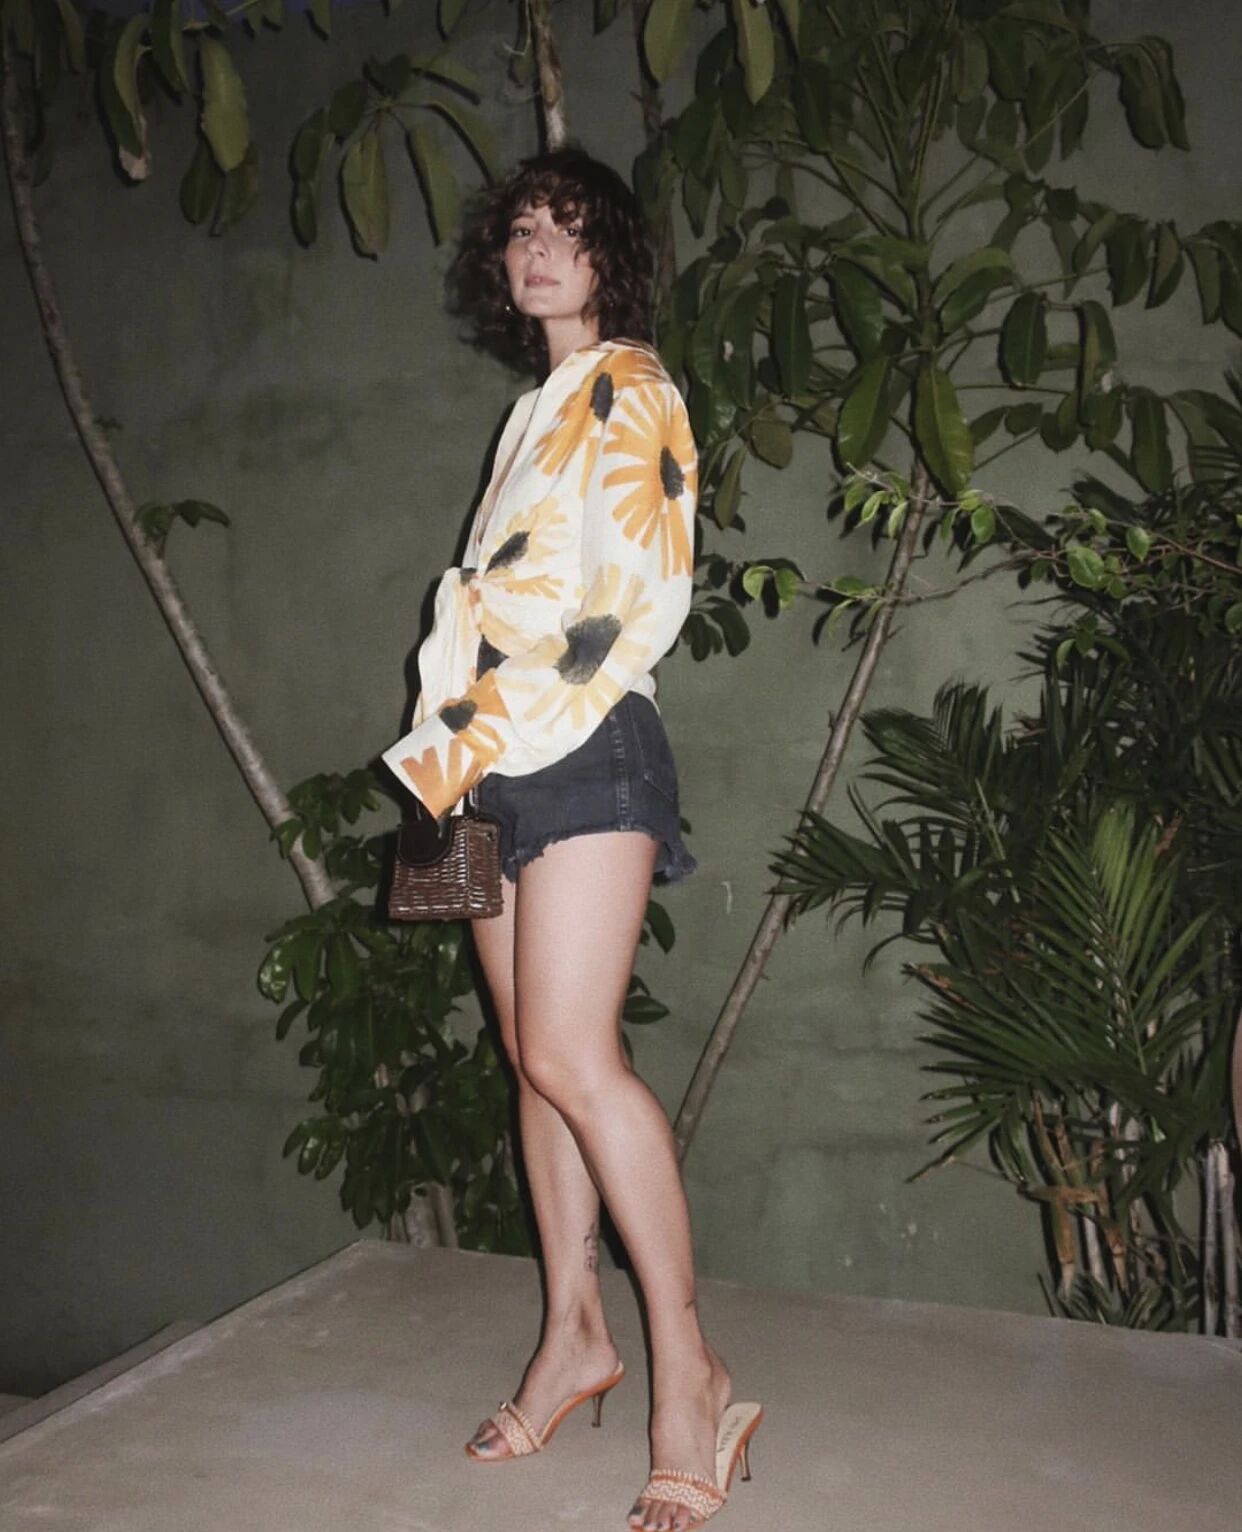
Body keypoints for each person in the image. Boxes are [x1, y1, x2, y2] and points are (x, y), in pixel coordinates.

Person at [380, 147, 761, 1531]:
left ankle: (690, 1376)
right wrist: (450, 756)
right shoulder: (530, 408)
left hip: (585, 741)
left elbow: (643, 590)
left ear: (611, 258)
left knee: (570, 1054)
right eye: (521, 231)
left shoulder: (632, 384)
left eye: (567, 230)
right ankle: (573, 1338)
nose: (538, 249)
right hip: (486, 757)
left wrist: (513, 693)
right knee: (528, 1065)